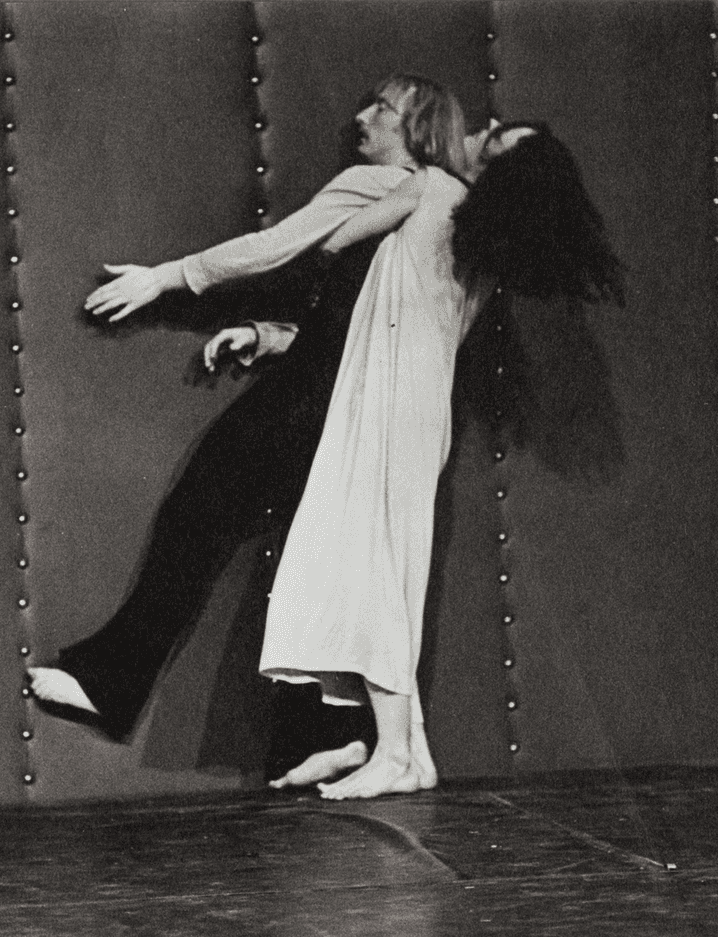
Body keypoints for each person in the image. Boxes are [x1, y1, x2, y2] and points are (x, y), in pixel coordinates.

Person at [29, 76, 465, 759]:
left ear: (416, 128)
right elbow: (363, 320)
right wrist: (266, 336)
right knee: (319, 565)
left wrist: (166, 277)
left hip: (312, 396)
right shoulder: (440, 214)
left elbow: (274, 247)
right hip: (351, 401)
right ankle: (343, 737)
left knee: (197, 512)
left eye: (381, 107)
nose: (362, 116)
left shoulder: (377, 184)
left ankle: (111, 682)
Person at [242, 120, 627, 793]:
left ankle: (393, 753)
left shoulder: (434, 189)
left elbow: (324, 243)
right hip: (413, 406)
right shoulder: (483, 245)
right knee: (366, 565)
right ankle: (395, 747)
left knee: (372, 571)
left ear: (499, 168)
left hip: (389, 404)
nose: (479, 130)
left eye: (496, 136)